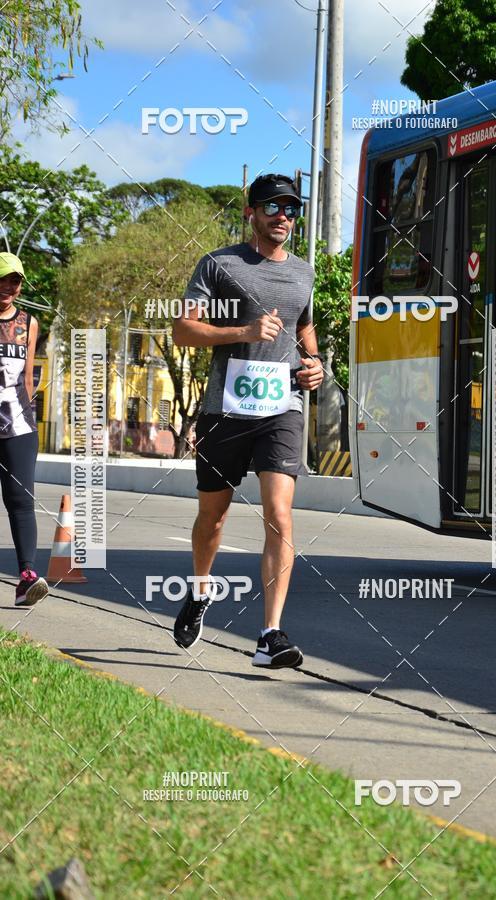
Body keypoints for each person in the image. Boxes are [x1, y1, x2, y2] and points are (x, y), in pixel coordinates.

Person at [172, 173, 324, 667]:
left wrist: (314, 365)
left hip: (282, 409)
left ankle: (270, 634)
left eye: (292, 208)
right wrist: (244, 328)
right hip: (227, 409)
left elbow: (305, 325)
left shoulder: (303, 272)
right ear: (251, 212)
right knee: (212, 516)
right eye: (273, 207)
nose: (284, 216)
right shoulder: (219, 264)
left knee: (280, 514)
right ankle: (199, 592)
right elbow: (182, 330)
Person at [0, 252, 48, 606]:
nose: (9, 286)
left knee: (21, 501)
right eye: (3, 278)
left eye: (15, 280)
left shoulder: (28, 323)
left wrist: (30, 420)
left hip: (17, 424)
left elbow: (29, 374)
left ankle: (27, 577)